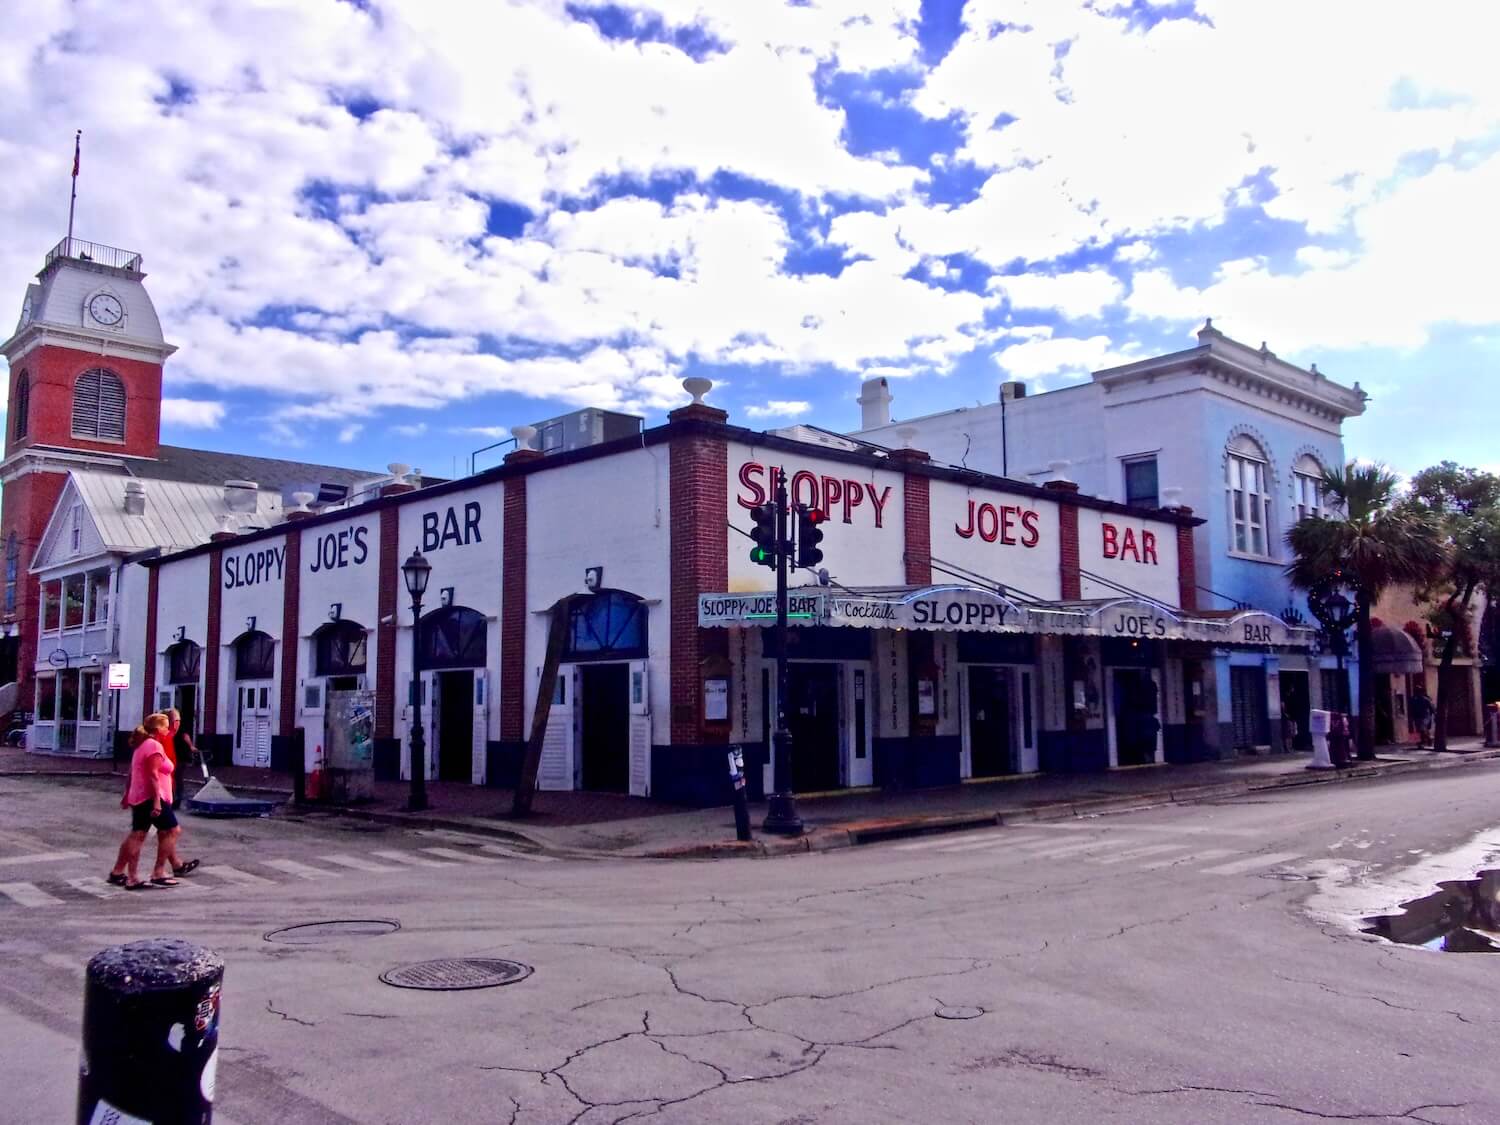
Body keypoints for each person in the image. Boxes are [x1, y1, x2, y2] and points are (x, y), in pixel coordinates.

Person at [105, 713, 191, 888]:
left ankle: (121, 873)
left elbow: (133, 772)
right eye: (166, 726)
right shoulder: (153, 746)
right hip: (151, 796)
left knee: (138, 834)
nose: (168, 730)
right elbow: (153, 775)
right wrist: (157, 801)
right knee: (172, 830)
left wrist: (127, 793)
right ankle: (158, 872)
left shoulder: (142, 745)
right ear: (158, 728)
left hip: (141, 795)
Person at [1409, 684, 1436, 749]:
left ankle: (1426, 740)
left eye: (1418, 691)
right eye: (1416, 691)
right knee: (1418, 730)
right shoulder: (1413, 699)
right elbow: (1411, 708)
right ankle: (1421, 742)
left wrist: (1434, 714)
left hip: (1425, 716)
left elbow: (1431, 707)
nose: (1417, 693)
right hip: (1417, 716)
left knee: (1422, 729)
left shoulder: (1425, 699)